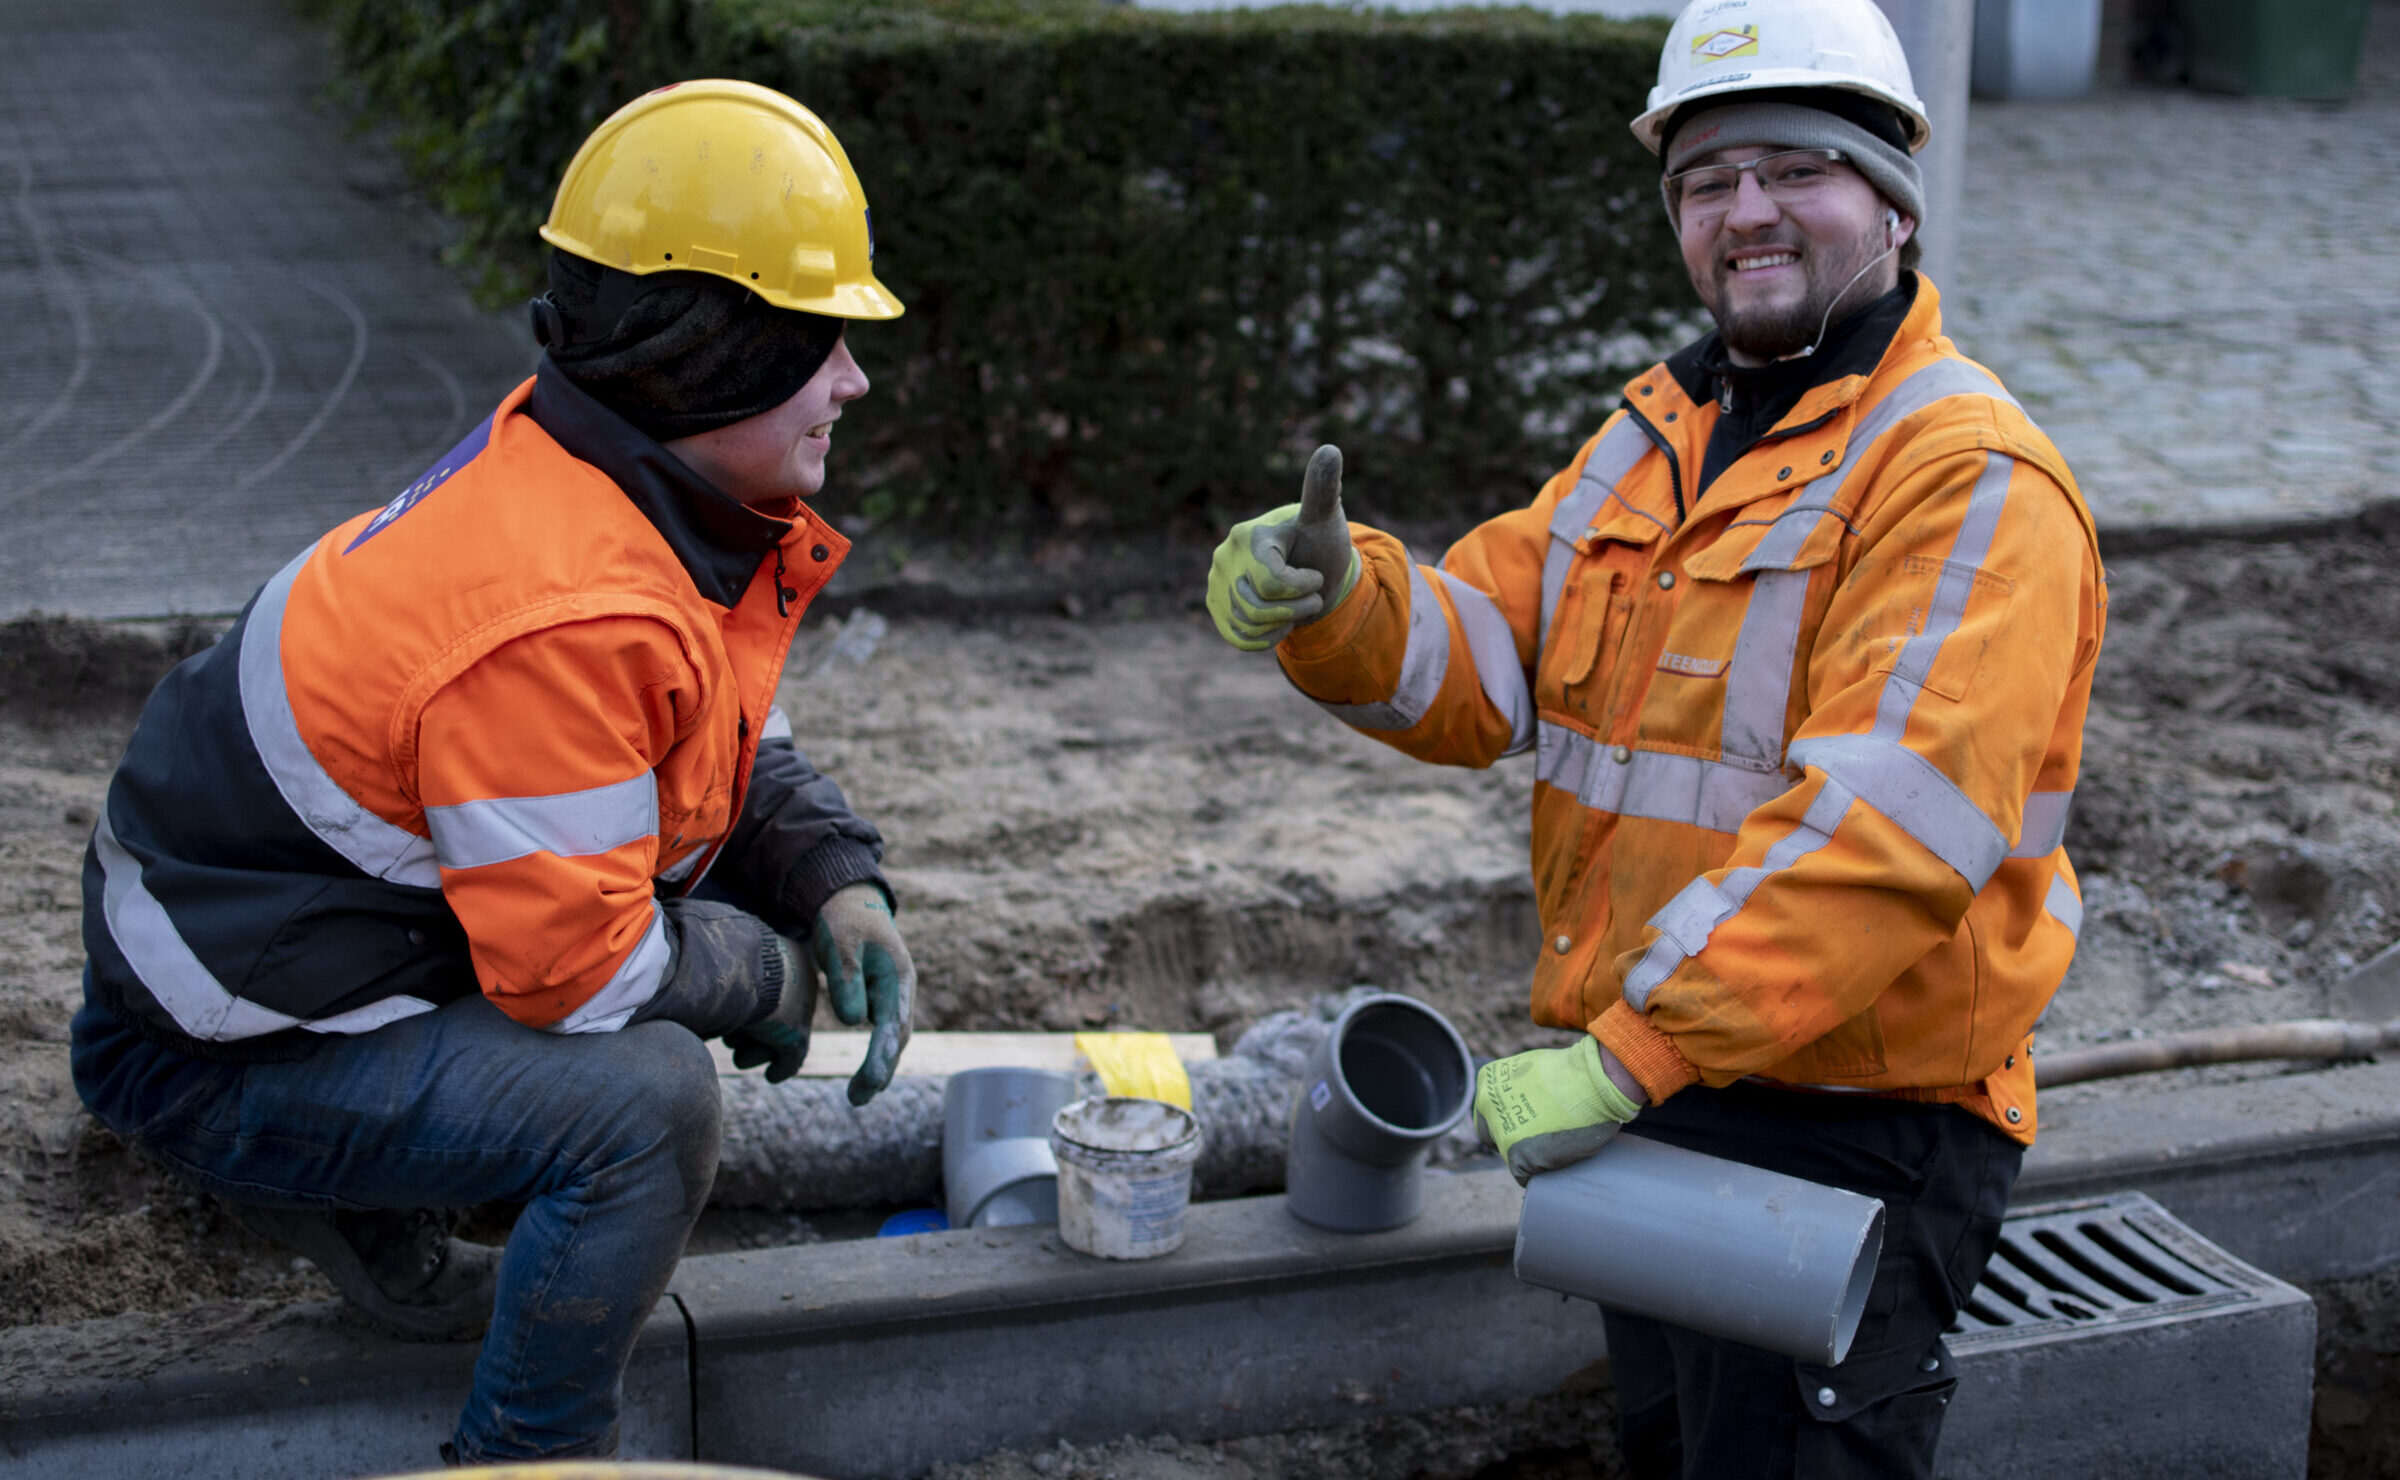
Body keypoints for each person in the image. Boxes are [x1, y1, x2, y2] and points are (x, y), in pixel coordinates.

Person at [1204, 1, 2103, 1474]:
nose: (1744, 212)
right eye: (1704, 182)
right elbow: (1489, 663)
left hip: (1852, 1122)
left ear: (1889, 201)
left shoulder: (1965, 475)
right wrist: (1344, 597)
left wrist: (1631, 1054)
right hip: (1666, 1088)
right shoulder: (1662, 430)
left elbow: (1883, 830)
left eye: (1791, 171)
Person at [69, 80, 918, 1465]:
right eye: (823, 339)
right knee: (647, 1108)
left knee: (606, 997)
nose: (853, 379)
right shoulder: (562, 607)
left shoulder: (608, 483)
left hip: (267, 967)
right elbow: (578, 976)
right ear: (711, 352)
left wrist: (831, 874)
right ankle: (528, 1450)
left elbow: (690, 734)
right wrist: (759, 972)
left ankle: (368, 1209)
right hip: (204, 1049)